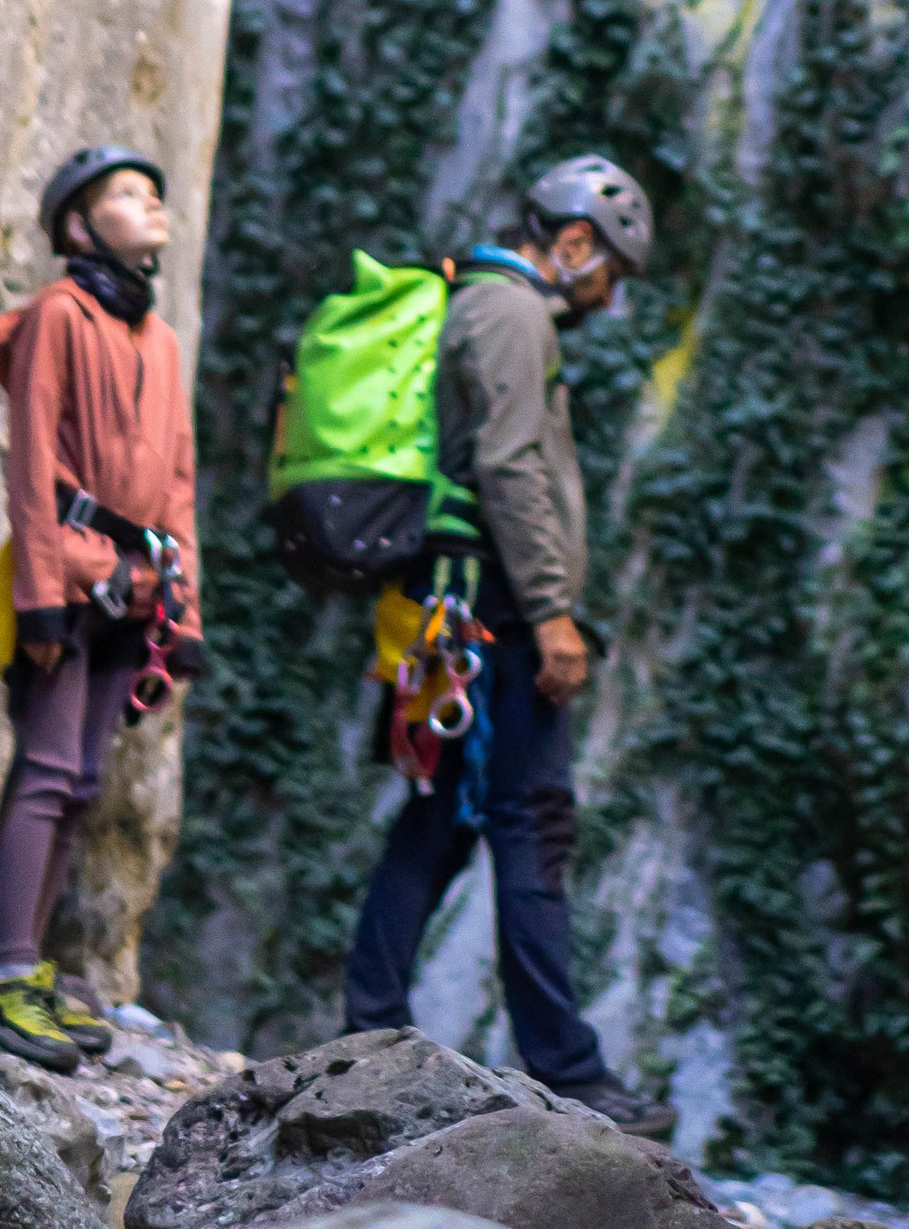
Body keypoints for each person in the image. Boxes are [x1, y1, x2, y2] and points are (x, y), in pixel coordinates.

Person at [345, 154, 671, 1137]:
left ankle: (370, 1024)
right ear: (573, 242)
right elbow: (511, 465)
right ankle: (569, 1069)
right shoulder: (513, 312)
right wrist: (553, 609)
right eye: (611, 271)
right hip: (492, 615)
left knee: (440, 822)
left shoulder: (481, 303)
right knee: (531, 823)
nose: (610, 296)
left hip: (455, 609)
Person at [0, 147, 204, 1072]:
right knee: (46, 772)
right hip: (72, 573)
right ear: (80, 227)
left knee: (82, 781)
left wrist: (184, 615)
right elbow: (30, 464)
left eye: (155, 193)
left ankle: (28, 968)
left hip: (139, 587)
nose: (151, 203)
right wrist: (40, 597)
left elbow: (180, 486)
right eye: (127, 193)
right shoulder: (58, 314)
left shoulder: (159, 339)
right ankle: (9, 972)